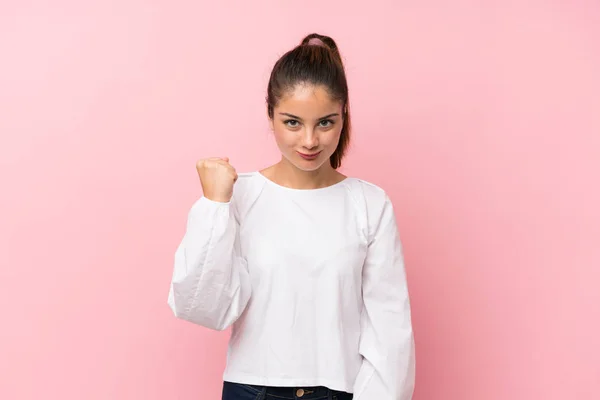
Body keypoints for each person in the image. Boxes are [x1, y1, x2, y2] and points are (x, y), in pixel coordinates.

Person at [167, 33, 416, 400]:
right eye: (293, 122)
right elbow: (203, 309)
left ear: (344, 114)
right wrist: (214, 206)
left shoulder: (369, 204)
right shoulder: (240, 196)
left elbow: (390, 332)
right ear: (271, 115)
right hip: (250, 390)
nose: (310, 141)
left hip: (338, 391)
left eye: (326, 123)